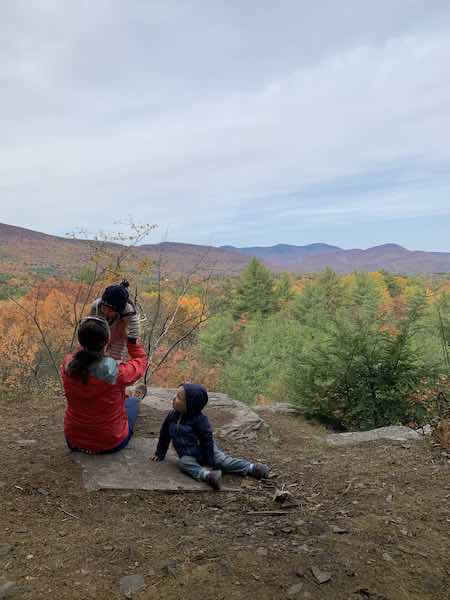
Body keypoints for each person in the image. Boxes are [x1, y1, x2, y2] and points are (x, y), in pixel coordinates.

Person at [151, 383, 269, 489]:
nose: (173, 399)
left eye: (178, 397)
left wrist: (210, 461)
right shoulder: (171, 416)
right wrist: (160, 453)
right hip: (188, 454)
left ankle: (251, 467)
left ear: (190, 405)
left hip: (207, 450)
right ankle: (208, 476)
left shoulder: (200, 421)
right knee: (184, 463)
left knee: (223, 462)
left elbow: (206, 440)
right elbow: (165, 434)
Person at [62, 316, 147, 454]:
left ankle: (125, 394)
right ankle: (133, 396)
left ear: (81, 341)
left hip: (74, 440)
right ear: (106, 342)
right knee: (132, 402)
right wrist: (131, 341)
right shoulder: (117, 374)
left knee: (115, 395)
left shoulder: (68, 365)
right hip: (110, 442)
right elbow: (141, 361)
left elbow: (82, 356)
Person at [90, 280, 141, 363]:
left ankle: (113, 367)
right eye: (105, 308)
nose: (107, 312)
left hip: (120, 334)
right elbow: (90, 320)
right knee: (94, 349)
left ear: (120, 310)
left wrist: (131, 341)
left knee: (115, 357)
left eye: (111, 311)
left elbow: (135, 327)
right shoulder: (96, 305)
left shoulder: (128, 311)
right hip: (101, 331)